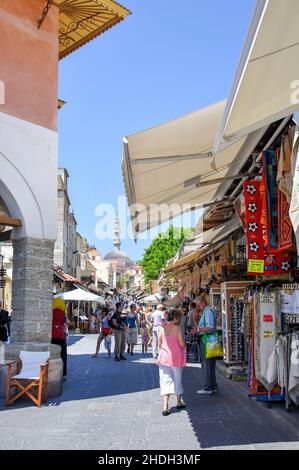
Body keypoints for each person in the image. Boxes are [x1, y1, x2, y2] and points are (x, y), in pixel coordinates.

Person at [158, 308, 186, 416]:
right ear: (175, 318)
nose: (179, 320)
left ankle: (165, 406)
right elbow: (182, 344)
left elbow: (160, 344)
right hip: (175, 358)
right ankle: (179, 401)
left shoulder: (162, 328)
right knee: (177, 379)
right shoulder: (177, 328)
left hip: (164, 358)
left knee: (165, 380)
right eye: (178, 318)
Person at [193, 296, 218, 395]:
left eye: (198, 305)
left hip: (207, 339)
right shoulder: (208, 311)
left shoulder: (208, 312)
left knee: (207, 364)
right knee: (211, 364)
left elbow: (210, 326)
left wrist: (198, 330)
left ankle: (207, 387)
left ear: (202, 303)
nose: (197, 307)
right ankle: (213, 386)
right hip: (210, 339)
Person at [52, 306, 68, 377]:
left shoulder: (51, 312)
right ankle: (63, 373)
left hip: (52, 336)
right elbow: (67, 323)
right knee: (63, 354)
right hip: (61, 336)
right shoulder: (62, 314)